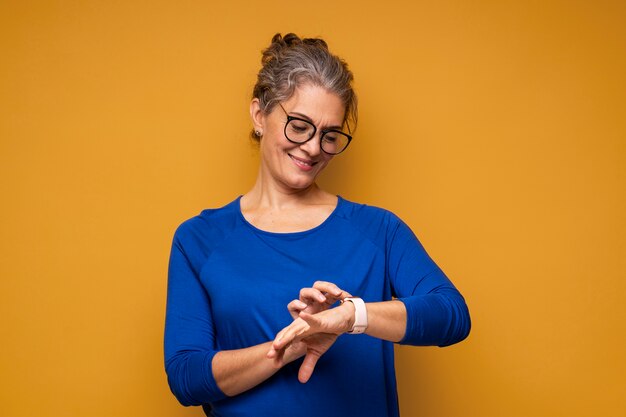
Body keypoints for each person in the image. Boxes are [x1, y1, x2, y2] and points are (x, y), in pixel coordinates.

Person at [164, 33, 471, 417]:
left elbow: (451, 314)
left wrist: (350, 316)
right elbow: (186, 376)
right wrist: (288, 348)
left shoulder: (378, 231)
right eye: (299, 126)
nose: (313, 147)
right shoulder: (199, 240)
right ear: (260, 115)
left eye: (329, 135)